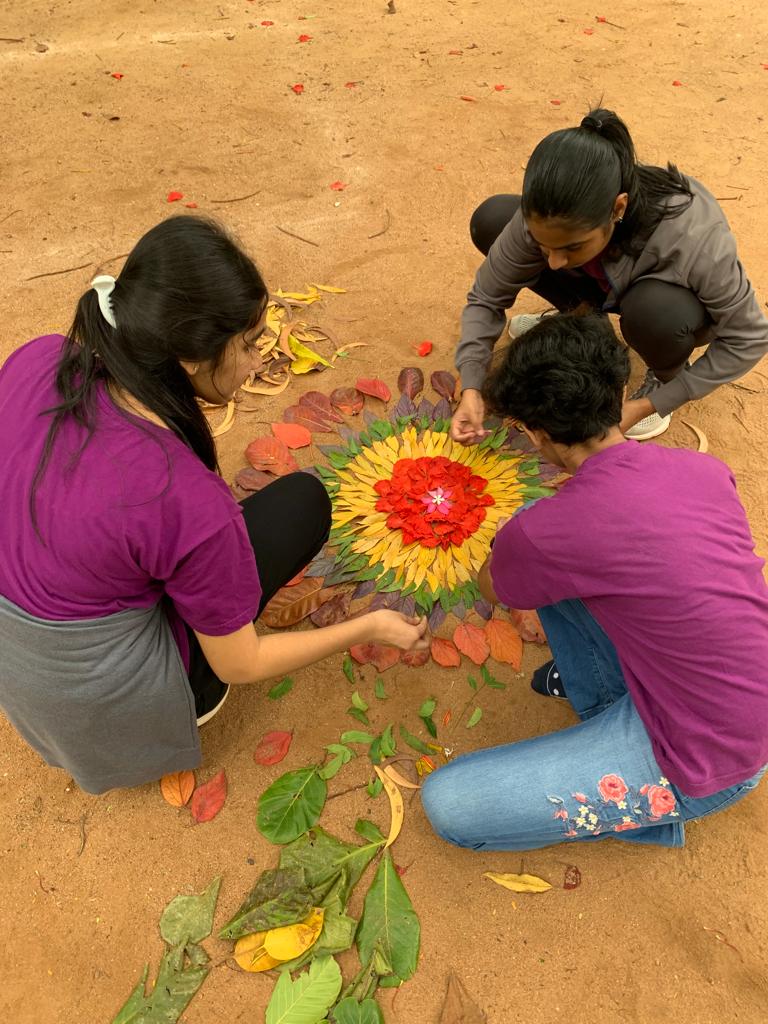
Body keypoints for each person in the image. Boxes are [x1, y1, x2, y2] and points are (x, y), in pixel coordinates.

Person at [0, 216, 427, 795]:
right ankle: (186, 704)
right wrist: (368, 626)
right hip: (114, 704)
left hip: (22, 666)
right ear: (192, 357)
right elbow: (240, 664)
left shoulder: (40, 356)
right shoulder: (181, 496)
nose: (258, 361)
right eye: (249, 345)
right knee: (303, 501)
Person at [423, 313, 768, 850]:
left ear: (534, 433)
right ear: (622, 391)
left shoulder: (542, 531)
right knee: (566, 570)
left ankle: (652, 804)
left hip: (712, 762)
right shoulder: (703, 471)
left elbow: (495, 588)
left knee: (450, 804)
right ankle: (608, 710)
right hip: (735, 699)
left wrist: (503, 542)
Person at [451, 107, 768, 443]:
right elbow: (487, 296)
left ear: (618, 208)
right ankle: (582, 322)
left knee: (656, 312)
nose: (555, 262)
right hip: (607, 286)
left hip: (670, 309)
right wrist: (472, 382)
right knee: (492, 219)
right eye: (545, 246)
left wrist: (650, 405)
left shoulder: (694, 234)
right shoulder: (546, 216)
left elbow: (749, 337)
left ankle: (664, 376)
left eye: (572, 246)